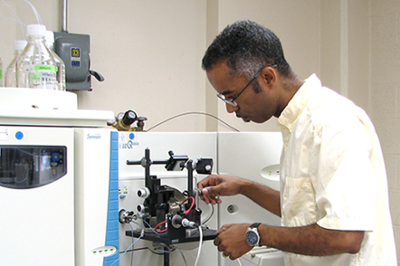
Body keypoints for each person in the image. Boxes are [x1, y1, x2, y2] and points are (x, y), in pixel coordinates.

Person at [198, 20, 397, 266]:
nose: (230, 109)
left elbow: (345, 236)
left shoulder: (331, 122)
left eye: (232, 96)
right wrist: (244, 187)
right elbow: (303, 211)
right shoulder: (296, 126)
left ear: (268, 77)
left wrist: (256, 234)